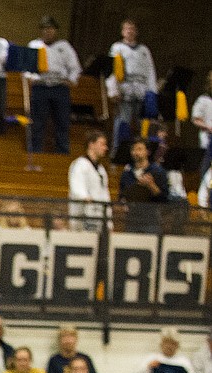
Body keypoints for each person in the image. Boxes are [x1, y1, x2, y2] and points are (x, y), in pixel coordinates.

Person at [27, 16, 81, 154]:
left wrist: (71, 80)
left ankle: (62, 153)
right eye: (44, 29)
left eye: (50, 29)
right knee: (37, 122)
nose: (47, 32)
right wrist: (31, 77)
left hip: (60, 88)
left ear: (55, 31)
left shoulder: (64, 46)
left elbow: (75, 68)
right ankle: (35, 152)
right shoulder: (35, 45)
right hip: (41, 86)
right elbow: (26, 67)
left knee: (62, 122)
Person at [107, 20, 157, 153]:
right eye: (127, 29)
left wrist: (152, 93)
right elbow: (112, 70)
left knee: (144, 127)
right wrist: (113, 90)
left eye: (132, 29)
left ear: (136, 32)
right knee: (123, 123)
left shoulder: (144, 50)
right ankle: (118, 152)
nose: (130, 31)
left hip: (142, 90)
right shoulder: (117, 47)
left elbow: (150, 71)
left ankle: (144, 153)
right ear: (122, 31)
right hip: (125, 89)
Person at [119, 137, 169, 232]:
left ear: (147, 152)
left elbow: (164, 199)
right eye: (133, 149)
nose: (135, 152)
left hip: (151, 221)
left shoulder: (157, 171)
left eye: (139, 149)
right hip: (132, 221)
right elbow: (122, 195)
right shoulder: (127, 173)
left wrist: (151, 185)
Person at [66, 130, 111, 232]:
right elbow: (76, 187)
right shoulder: (80, 164)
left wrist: (109, 222)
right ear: (91, 144)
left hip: (98, 219)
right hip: (82, 218)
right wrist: (85, 197)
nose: (105, 148)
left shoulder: (101, 169)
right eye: (102, 144)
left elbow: (105, 195)